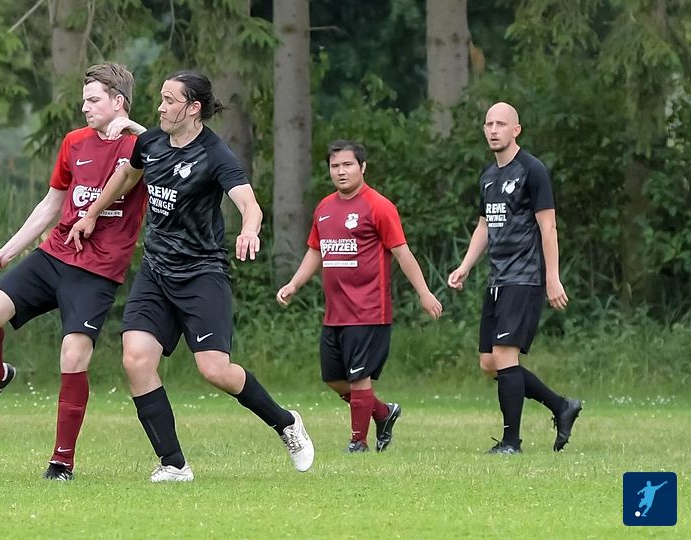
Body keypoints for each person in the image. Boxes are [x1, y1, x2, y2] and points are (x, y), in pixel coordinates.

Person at [66, 70, 314, 482]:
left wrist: (249, 230)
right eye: (161, 98)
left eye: (169, 100)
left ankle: (286, 422)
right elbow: (126, 177)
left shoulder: (216, 154)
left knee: (215, 370)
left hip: (201, 274)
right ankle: (174, 464)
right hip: (155, 271)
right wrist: (91, 214)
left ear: (194, 108)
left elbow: (249, 204)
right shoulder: (150, 143)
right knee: (135, 359)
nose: (160, 107)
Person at [0, 63, 148, 481]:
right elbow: (51, 204)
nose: (85, 107)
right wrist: (9, 250)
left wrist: (135, 129)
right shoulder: (74, 142)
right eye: (84, 100)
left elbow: (169, 150)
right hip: (55, 255)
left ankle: (61, 462)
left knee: (73, 355)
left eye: (94, 100)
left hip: (98, 270)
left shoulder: (140, 146)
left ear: (118, 102)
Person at [276, 140, 443, 453]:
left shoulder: (379, 206)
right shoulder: (324, 208)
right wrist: (294, 284)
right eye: (335, 166)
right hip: (335, 312)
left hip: (369, 310)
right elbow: (316, 251)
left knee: (359, 378)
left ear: (362, 167)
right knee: (333, 379)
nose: (341, 171)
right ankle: (382, 412)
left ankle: (358, 442)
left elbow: (402, 252)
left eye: (348, 165)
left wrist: (424, 293)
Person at [447, 101, 582, 454]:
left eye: (501, 124)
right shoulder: (488, 176)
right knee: (489, 363)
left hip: (525, 278)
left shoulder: (532, 170)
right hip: (497, 279)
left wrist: (552, 278)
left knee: (505, 356)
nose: (494, 130)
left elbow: (548, 227)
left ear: (516, 130)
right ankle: (561, 406)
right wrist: (465, 266)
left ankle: (511, 442)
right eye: (489, 124)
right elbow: (484, 225)